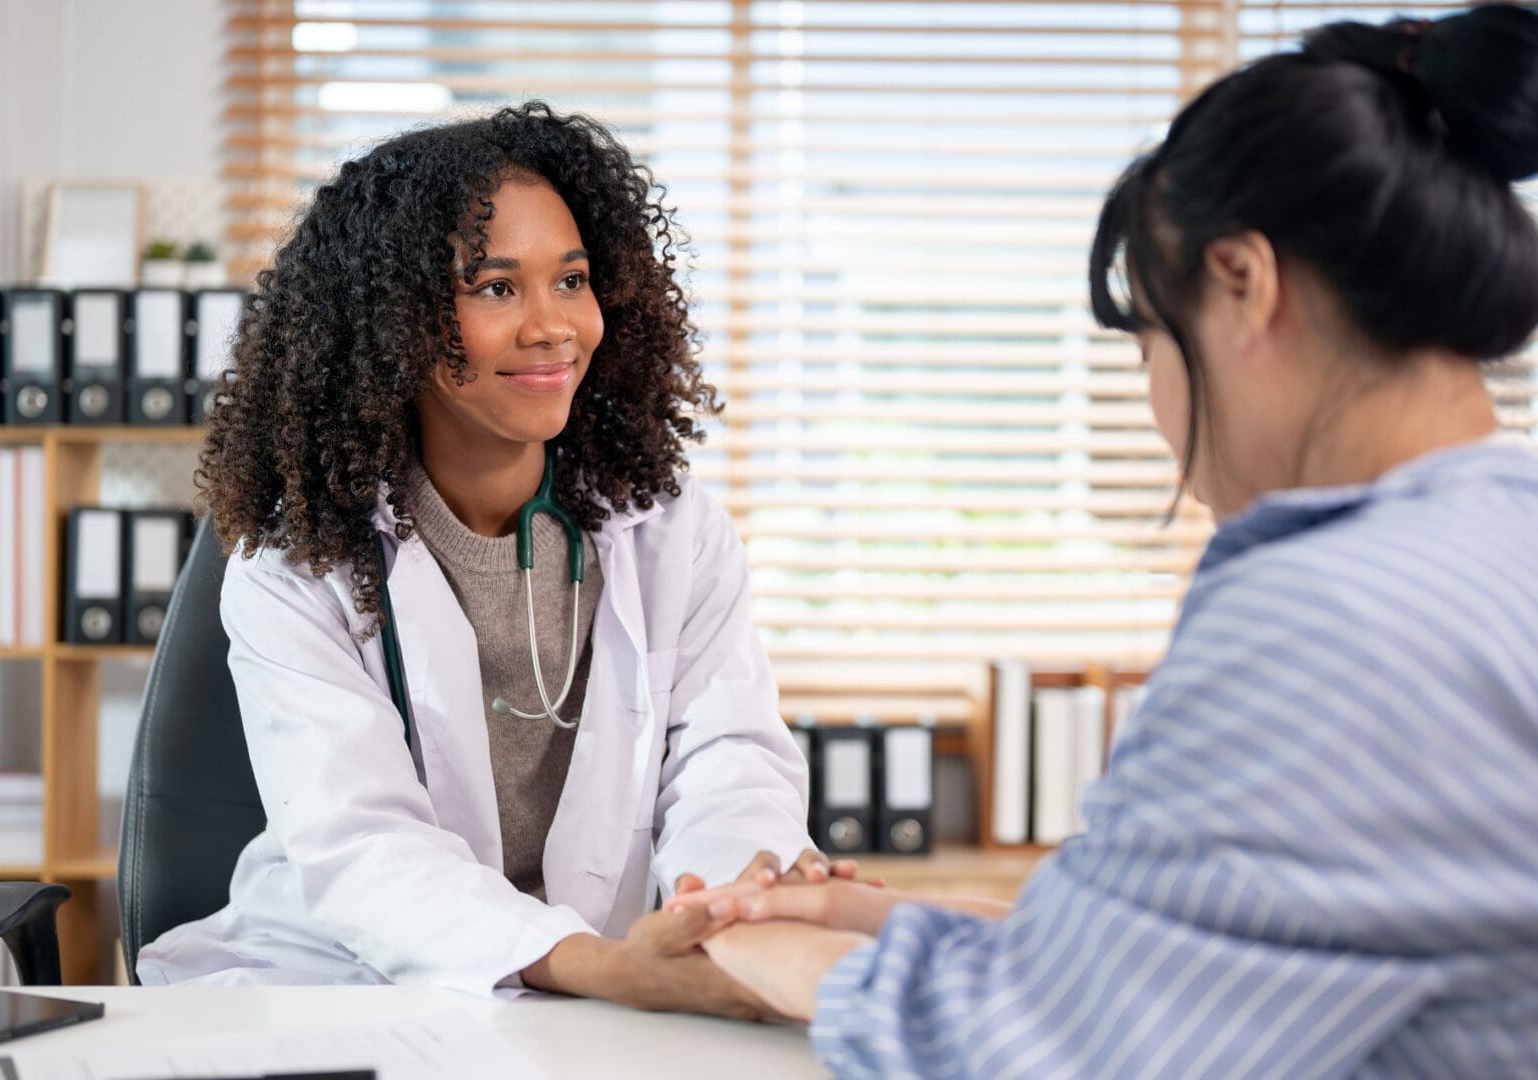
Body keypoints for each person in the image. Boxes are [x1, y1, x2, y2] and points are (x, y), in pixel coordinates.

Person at [672, 6, 1538, 1075]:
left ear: (1242, 283)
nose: (1158, 408)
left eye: (1148, 350)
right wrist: (878, 922)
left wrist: (754, 944)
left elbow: (1038, 1050)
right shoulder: (1498, 542)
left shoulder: (1331, 615)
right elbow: (1233, 952)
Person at [135, 103, 849, 1015]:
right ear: (393, 321)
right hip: (346, 985)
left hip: (610, 991)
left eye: (574, 280)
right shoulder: (297, 562)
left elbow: (729, 758)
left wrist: (737, 902)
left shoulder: (672, 531)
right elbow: (363, 849)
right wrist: (607, 968)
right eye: (498, 288)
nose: (554, 327)